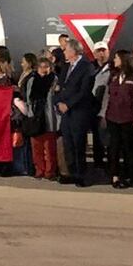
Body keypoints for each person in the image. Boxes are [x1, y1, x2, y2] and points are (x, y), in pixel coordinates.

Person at [98, 50, 133, 188]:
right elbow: (107, 96)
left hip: (128, 118)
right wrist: (103, 114)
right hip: (113, 117)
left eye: (117, 58)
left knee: (128, 149)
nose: (114, 60)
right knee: (113, 148)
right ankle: (115, 176)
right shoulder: (113, 76)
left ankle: (130, 176)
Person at [55, 42, 96, 187]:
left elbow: (84, 90)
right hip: (65, 111)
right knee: (68, 143)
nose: (64, 52)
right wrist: (59, 102)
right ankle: (71, 172)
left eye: (66, 50)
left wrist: (69, 104)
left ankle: (81, 175)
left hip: (79, 111)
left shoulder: (87, 66)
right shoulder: (66, 66)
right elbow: (59, 86)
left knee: (78, 143)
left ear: (73, 51)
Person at [21, 57, 61, 180]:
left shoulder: (54, 79)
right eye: (42, 67)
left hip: (50, 117)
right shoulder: (31, 80)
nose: (44, 70)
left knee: (49, 147)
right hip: (35, 116)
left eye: (47, 67)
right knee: (36, 146)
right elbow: (28, 98)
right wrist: (30, 114)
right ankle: (39, 169)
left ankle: (50, 171)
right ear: (37, 67)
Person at [89, 41, 111, 168]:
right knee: (96, 136)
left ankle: (109, 162)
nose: (102, 54)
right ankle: (98, 162)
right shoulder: (89, 68)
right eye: (99, 51)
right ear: (94, 53)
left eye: (104, 51)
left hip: (107, 107)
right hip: (91, 106)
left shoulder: (114, 68)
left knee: (107, 136)